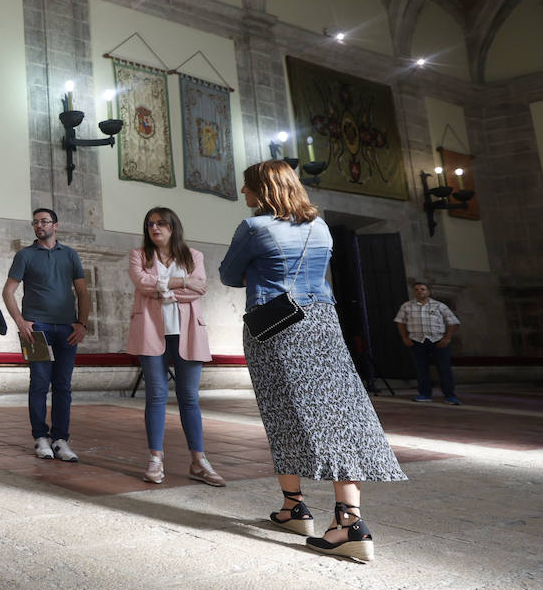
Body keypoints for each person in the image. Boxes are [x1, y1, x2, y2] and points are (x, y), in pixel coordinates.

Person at [219, 160, 405, 563]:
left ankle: (310, 512)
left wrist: (256, 267)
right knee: (340, 414)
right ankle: (336, 516)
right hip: (322, 322)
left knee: (281, 413)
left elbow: (228, 275)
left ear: (264, 189)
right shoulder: (319, 227)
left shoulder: (253, 228)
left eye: (247, 187)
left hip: (275, 327)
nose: (243, 194)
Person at [125, 207, 224, 487]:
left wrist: (163, 288)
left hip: (188, 332)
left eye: (160, 223)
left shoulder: (194, 256)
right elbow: (143, 283)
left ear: (173, 227)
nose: (154, 228)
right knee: (156, 396)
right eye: (150, 224)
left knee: (189, 398)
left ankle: (199, 461)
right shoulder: (139, 256)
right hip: (150, 331)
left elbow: (201, 287)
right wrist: (182, 283)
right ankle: (155, 458)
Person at [2, 208, 91, 462]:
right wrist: (20, 321)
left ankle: (61, 440)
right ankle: (40, 438)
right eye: (36, 222)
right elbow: (8, 291)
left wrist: (82, 323)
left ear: (56, 225)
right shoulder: (25, 255)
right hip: (37, 329)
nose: (39, 225)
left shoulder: (70, 255)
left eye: (44, 221)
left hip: (66, 329)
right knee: (39, 383)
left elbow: (83, 293)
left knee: (63, 385)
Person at [395, 281, 461, 404]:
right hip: (417, 341)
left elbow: (452, 322)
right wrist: (405, 338)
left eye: (422, 289)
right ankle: (425, 394)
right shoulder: (407, 306)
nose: (419, 291)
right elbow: (400, 322)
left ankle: (449, 395)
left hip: (438, 341)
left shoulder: (439, 306)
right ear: (414, 292)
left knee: (444, 368)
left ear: (428, 292)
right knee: (421, 369)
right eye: (416, 289)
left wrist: (447, 338)